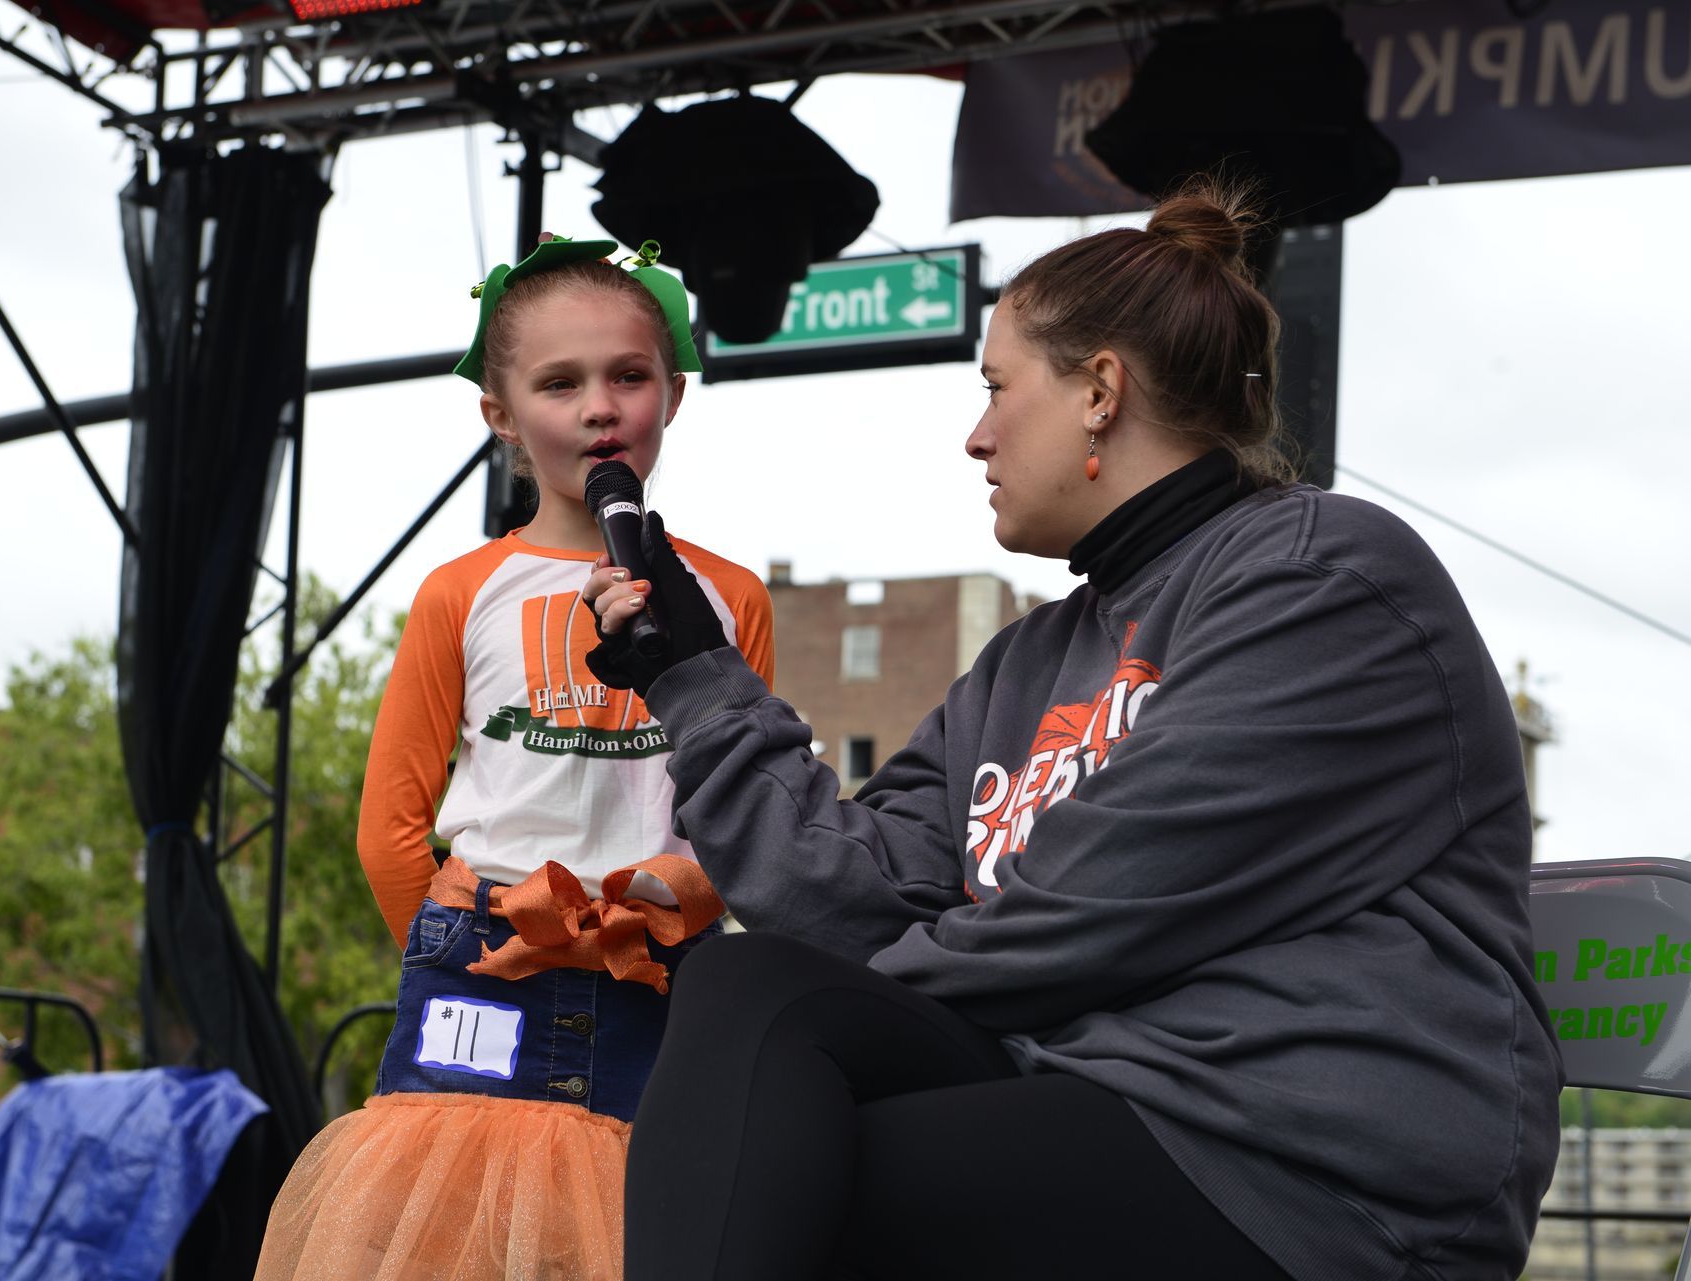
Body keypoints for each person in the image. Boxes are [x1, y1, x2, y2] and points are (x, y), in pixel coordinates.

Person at [583, 181, 1562, 1280]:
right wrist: (697, 681)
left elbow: (1094, 913)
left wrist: (812, 1068)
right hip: (1082, 1096)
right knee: (744, 999)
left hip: (1307, 1172)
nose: (977, 435)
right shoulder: (1029, 660)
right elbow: (851, 903)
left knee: (791, 1166)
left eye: (998, 387)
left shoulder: (1325, 581)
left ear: (1101, 390)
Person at [254, 236, 774, 1281]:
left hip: (654, 967)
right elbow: (390, 826)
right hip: (488, 956)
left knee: (636, 1236)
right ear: (501, 415)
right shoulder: (461, 589)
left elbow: (746, 807)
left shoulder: (731, 596)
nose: (601, 407)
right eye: (560, 382)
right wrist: (464, 941)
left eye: (630, 376)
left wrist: (676, 910)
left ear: (673, 392)